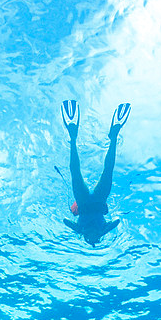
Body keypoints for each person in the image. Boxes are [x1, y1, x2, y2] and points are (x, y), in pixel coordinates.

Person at [61, 100, 130, 246]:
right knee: (108, 171)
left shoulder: (80, 229)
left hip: (83, 202)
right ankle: (114, 137)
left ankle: (72, 137)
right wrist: (103, 231)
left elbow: (65, 221)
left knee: (75, 172)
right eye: (95, 238)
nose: (91, 237)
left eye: (88, 238)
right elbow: (116, 221)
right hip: (99, 200)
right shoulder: (103, 229)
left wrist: (80, 230)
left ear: (85, 237)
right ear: (99, 237)